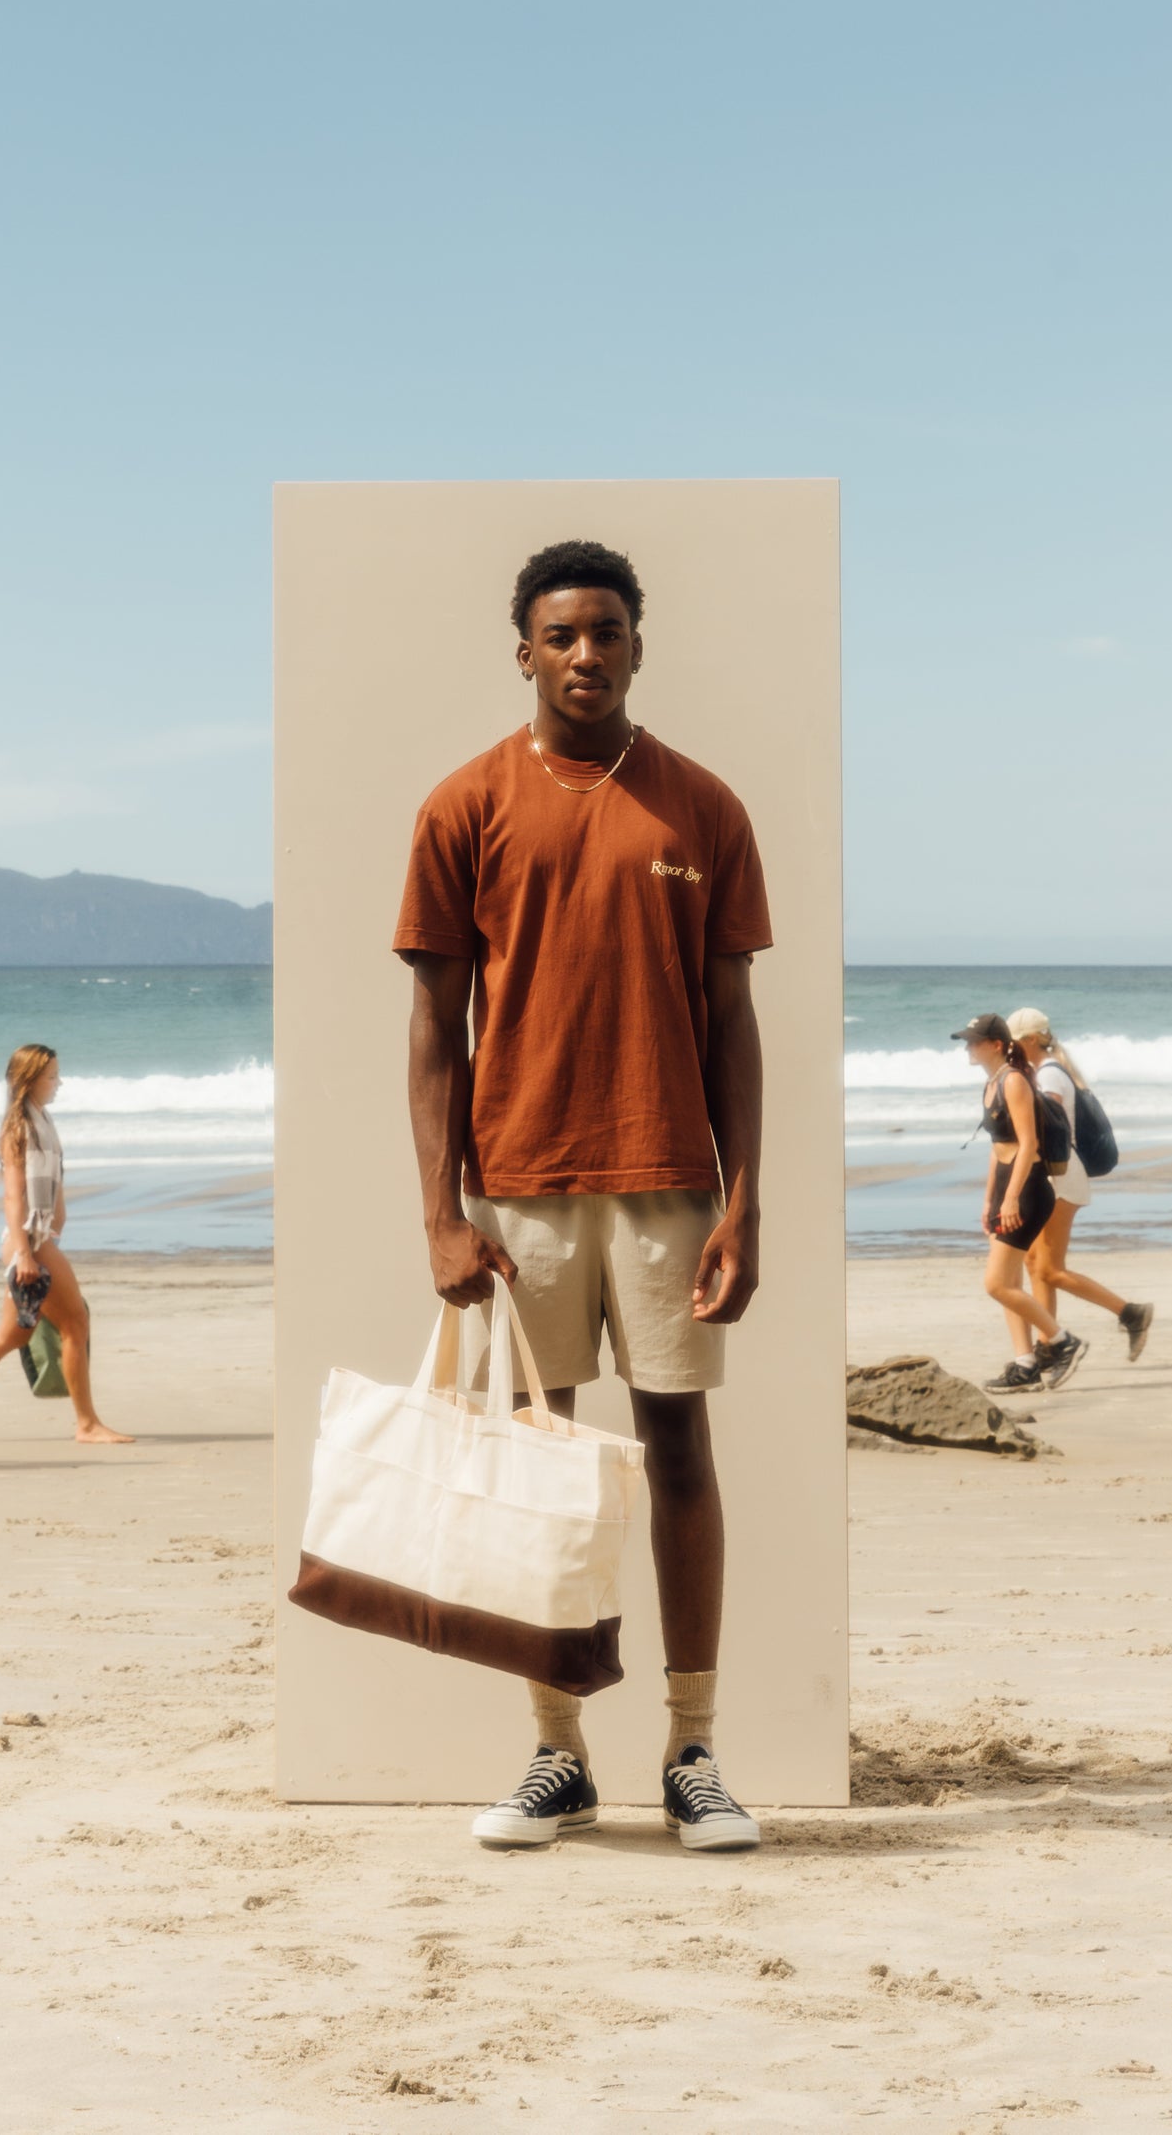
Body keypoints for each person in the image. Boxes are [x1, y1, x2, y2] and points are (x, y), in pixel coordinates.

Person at [394, 537, 768, 1853]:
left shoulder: (702, 808)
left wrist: (748, 1198)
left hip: (671, 1180)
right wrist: (443, 1209)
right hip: (525, 1189)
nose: (588, 655)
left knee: (679, 1455)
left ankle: (694, 1748)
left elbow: (730, 1018)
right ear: (527, 652)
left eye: (608, 632)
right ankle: (558, 1749)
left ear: (636, 645)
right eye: (564, 636)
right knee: (546, 1470)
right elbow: (437, 1026)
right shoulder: (465, 805)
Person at [0, 1044, 132, 1444]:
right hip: (29, 1242)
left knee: (14, 1335)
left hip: (38, 1238)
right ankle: (87, 1424)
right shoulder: (18, 1127)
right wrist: (24, 1251)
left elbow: (53, 1182)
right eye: (53, 1075)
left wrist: (55, 1224)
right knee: (75, 1323)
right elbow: (13, 1196)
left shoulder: (42, 1120)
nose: (59, 1083)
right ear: (31, 1079)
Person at [1006, 1007, 1153, 1368]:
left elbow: (1051, 1130)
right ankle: (1047, 1344)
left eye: (1013, 1042)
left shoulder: (1049, 1076)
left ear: (1028, 1040)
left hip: (1061, 1176)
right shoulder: (1047, 1071)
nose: (1010, 1049)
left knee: (1049, 1269)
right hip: (1057, 1175)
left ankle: (1130, 1313)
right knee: (1035, 1263)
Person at [953, 1013, 1085, 1393]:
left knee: (995, 1283)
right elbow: (998, 1149)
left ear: (995, 1044)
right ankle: (1025, 1362)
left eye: (973, 1041)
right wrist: (989, 1199)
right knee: (1009, 1279)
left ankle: (1062, 1342)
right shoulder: (991, 1083)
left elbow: (1028, 1145)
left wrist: (1011, 1199)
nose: (967, 1047)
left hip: (1028, 1190)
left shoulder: (1014, 1081)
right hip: (1007, 1188)